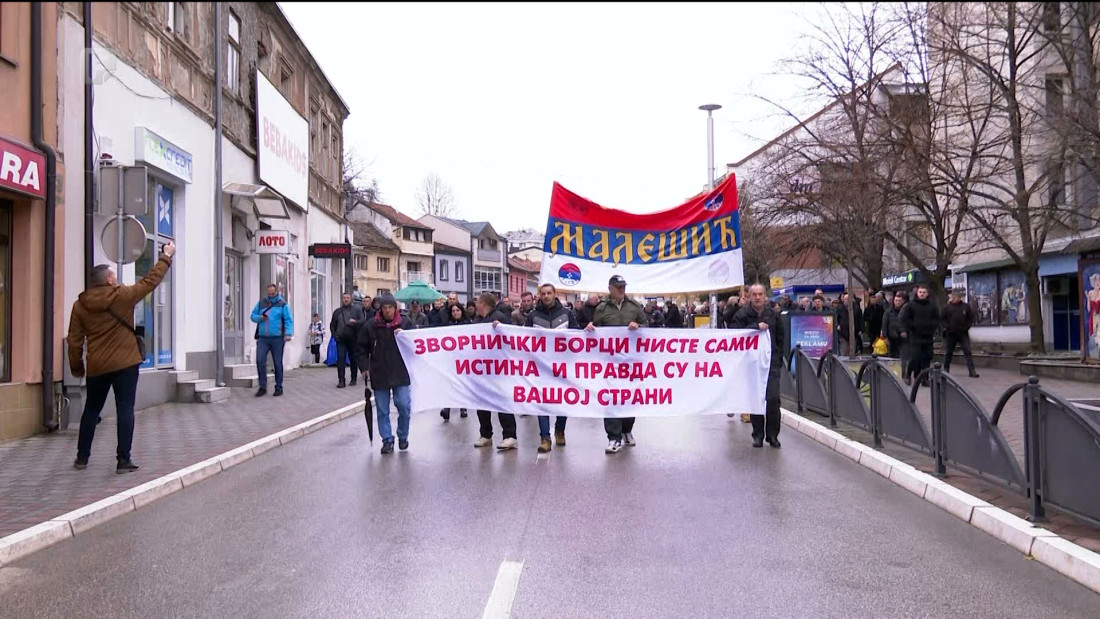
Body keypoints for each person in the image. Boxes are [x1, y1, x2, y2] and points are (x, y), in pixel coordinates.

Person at [67, 242, 175, 472]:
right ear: (108, 280)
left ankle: (82, 457)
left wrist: (77, 367)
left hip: (97, 365)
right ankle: (123, 460)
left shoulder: (80, 305)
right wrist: (165, 257)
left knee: (91, 409)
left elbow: (74, 340)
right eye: (113, 276)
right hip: (125, 363)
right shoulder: (122, 296)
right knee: (125, 408)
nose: (115, 278)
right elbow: (150, 282)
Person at [585, 275, 645, 454]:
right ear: (610, 288)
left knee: (629, 397)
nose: (621, 289)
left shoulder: (634, 306)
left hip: (630, 362)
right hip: (610, 363)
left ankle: (627, 430)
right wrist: (590, 328)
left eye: (623, 286)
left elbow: (648, 324)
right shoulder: (602, 308)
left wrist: (638, 325)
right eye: (618, 286)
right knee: (611, 398)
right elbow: (594, 330)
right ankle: (613, 437)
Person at [521, 283, 580, 451]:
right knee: (542, 401)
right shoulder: (532, 316)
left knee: (564, 399)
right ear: (539, 295)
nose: (546, 296)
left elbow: (578, 336)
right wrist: (501, 328)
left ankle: (560, 430)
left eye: (549, 293)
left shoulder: (567, 314)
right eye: (543, 293)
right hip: (541, 367)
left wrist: (587, 330)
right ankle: (545, 438)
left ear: (554, 294)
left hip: (563, 366)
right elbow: (522, 337)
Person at [356, 293, 415, 454]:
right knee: (382, 410)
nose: (387, 311)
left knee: (404, 405)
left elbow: (416, 344)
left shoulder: (405, 323)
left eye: (390, 307)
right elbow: (361, 348)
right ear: (380, 309)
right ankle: (387, 440)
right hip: (379, 372)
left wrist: (405, 336)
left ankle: (403, 436)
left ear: (395, 308)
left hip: (400, 372)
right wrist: (364, 368)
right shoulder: (371, 325)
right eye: (384, 308)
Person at [730, 283, 784, 448]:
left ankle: (773, 435)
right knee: (756, 400)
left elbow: (780, 338)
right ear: (749, 296)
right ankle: (758, 435)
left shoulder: (773, 315)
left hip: (771, 365)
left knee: (773, 399)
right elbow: (735, 335)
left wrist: (778, 358)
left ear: (764, 296)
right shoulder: (742, 315)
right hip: (752, 365)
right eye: (755, 294)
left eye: (760, 294)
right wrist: (755, 327)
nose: (758, 297)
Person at [474, 292, 519, 450]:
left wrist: (501, 328)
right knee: (482, 403)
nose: (476, 305)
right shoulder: (480, 319)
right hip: (484, 369)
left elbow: (511, 337)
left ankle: (510, 436)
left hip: (499, 369)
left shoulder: (500, 317)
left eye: (478, 302)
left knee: (502, 403)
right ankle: (486, 434)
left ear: (484, 303)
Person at [251, 284, 293, 397]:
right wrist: (260, 318)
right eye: (269, 293)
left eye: (272, 294)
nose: (270, 295)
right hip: (263, 338)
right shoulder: (261, 303)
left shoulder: (282, 304)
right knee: (260, 361)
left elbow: (288, 319)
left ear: (276, 292)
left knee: (277, 363)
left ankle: (279, 387)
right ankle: (262, 387)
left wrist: (288, 333)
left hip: (278, 338)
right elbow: (252, 315)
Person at [899, 284, 940, 387]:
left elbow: (936, 319)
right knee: (915, 357)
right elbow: (905, 319)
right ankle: (908, 375)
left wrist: (932, 327)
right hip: (915, 336)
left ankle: (925, 378)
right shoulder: (910, 305)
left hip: (928, 336)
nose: (922, 294)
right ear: (917, 293)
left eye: (924, 292)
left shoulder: (932, 306)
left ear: (927, 294)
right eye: (920, 292)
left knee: (927, 358)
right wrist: (912, 327)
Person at [440, 303, 471, 421]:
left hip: (464, 360)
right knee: (449, 384)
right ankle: (447, 407)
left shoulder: (469, 326)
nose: (455, 313)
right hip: (451, 360)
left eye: (458, 310)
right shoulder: (447, 326)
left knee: (462, 384)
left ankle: (463, 407)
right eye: (453, 311)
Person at [942, 289, 980, 378]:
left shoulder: (965, 306)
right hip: (951, 333)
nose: (953, 299)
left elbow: (970, 319)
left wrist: (966, 327)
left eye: (955, 297)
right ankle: (946, 369)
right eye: (952, 297)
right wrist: (947, 327)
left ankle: (972, 371)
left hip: (963, 333)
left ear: (959, 298)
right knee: (948, 352)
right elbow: (942, 319)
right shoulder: (947, 307)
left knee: (967, 351)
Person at [330, 292, 364, 388]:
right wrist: (335, 335)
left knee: (353, 359)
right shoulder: (337, 312)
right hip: (340, 339)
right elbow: (332, 325)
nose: (346, 299)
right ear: (342, 299)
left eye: (348, 298)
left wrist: (355, 322)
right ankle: (341, 380)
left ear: (351, 299)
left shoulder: (356, 310)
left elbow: (362, 321)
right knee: (340, 359)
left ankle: (353, 378)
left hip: (353, 339)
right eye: (344, 298)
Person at [882, 293, 906, 372]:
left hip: (903, 338)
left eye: (899, 301)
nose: (897, 302)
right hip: (891, 337)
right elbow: (884, 324)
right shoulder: (888, 312)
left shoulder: (905, 311)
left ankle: (901, 371)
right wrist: (885, 336)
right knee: (891, 356)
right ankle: (892, 371)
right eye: (896, 300)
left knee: (902, 356)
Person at [835, 291, 863, 355]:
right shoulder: (840, 308)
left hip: (854, 333)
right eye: (844, 299)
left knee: (852, 350)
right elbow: (836, 318)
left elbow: (860, 319)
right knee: (844, 350)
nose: (845, 301)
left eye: (847, 299)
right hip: (843, 333)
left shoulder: (857, 309)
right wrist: (838, 325)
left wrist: (860, 329)